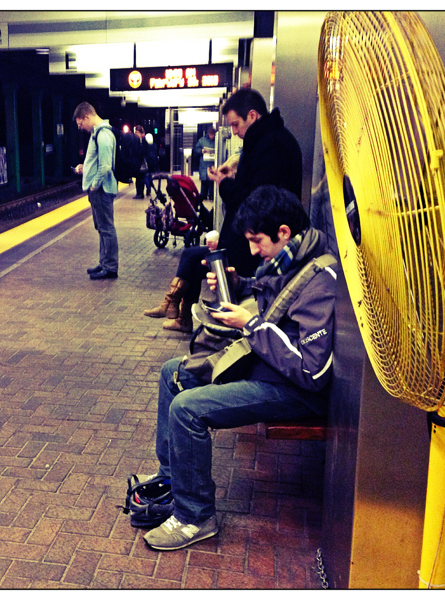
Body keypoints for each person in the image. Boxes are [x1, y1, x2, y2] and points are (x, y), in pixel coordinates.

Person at [140, 185, 338, 551]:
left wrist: (250, 325)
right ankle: (173, 479)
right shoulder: (290, 260)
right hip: (263, 365)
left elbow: (312, 373)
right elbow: (275, 305)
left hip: (292, 390)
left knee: (188, 410)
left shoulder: (321, 281)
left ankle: (194, 517)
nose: (252, 250)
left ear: (283, 232)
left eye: (257, 241)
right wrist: (237, 284)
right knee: (172, 373)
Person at [143, 88, 302, 333]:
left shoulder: (272, 146)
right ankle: (178, 310)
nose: (235, 132)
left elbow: (254, 198)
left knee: (203, 263)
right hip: (256, 235)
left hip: (263, 237)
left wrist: (224, 184)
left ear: (253, 115)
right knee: (198, 261)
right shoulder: (268, 141)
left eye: (236, 125)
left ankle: (186, 312)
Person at [73, 102, 119, 280]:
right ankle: (104, 262)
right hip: (99, 190)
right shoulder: (97, 134)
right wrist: (85, 168)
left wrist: (94, 186)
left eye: (80, 124)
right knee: (102, 228)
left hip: (102, 190)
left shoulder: (103, 135)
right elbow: (98, 163)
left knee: (106, 229)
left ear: (86, 117)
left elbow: (105, 166)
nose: (81, 128)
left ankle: (110, 267)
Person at [192, 126, 216, 200]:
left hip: (213, 164)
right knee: (204, 182)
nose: (212, 136)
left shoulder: (217, 140)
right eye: (211, 134)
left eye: (213, 135)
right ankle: (203, 196)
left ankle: (211, 196)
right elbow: (196, 149)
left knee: (212, 182)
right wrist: (201, 151)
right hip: (204, 165)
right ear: (208, 133)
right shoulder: (202, 140)